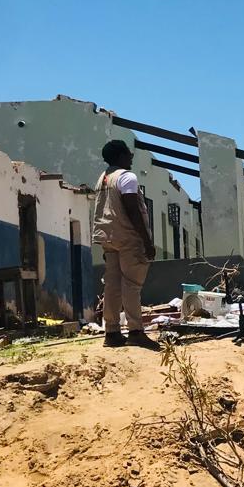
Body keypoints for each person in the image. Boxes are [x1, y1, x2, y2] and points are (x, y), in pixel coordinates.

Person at [92, 140, 161, 350]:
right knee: (131, 284)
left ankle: (112, 332)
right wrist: (147, 241)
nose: (131, 156)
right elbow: (132, 209)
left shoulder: (103, 179)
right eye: (128, 153)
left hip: (108, 237)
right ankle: (135, 331)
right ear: (121, 155)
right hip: (128, 237)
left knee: (112, 286)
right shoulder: (126, 177)